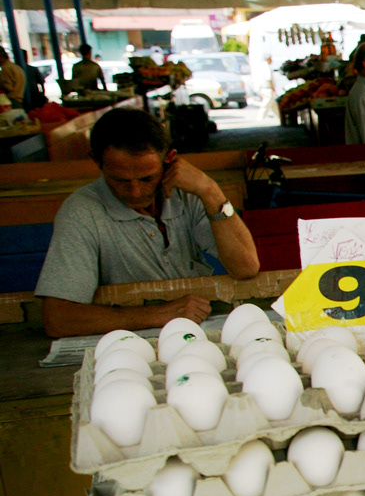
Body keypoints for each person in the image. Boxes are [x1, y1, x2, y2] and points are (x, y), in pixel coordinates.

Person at [34, 108, 261, 338]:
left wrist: (210, 190)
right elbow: (57, 319)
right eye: (120, 180)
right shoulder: (82, 211)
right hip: (127, 342)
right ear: (96, 161)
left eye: (147, 178)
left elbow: (246, 267)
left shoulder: (187, 192)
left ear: (169, 159)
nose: (135, 192)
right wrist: (159, 314)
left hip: (191, 333)